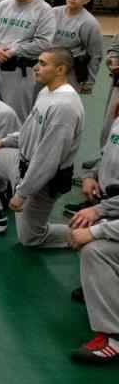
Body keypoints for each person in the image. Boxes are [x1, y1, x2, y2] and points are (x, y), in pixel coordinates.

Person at [0, 47, 83, 246]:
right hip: (20, 161)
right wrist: (4, 141)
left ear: (60, 70)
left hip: (42, 179)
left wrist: (22, 194)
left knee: (31, 238)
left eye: (42, 63)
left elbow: (47, 160)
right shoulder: (46, 91)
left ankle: (90, 233)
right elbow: (29, 130)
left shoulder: (64, 107)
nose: (35, 67)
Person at [66, 110, 119, 364]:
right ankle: (103, 287)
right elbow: (107, 156)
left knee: (94, 249)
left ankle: (113, 336)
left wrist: (95, 227)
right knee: (82, 223)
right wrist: (91, 176)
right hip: (113, 204)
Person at [52, 0, 103, 95]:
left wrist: (89, 81)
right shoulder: (53, 12)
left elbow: (96, 54)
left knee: (64, 103)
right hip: (47, 65)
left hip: (70, 70)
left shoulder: (90, 23)